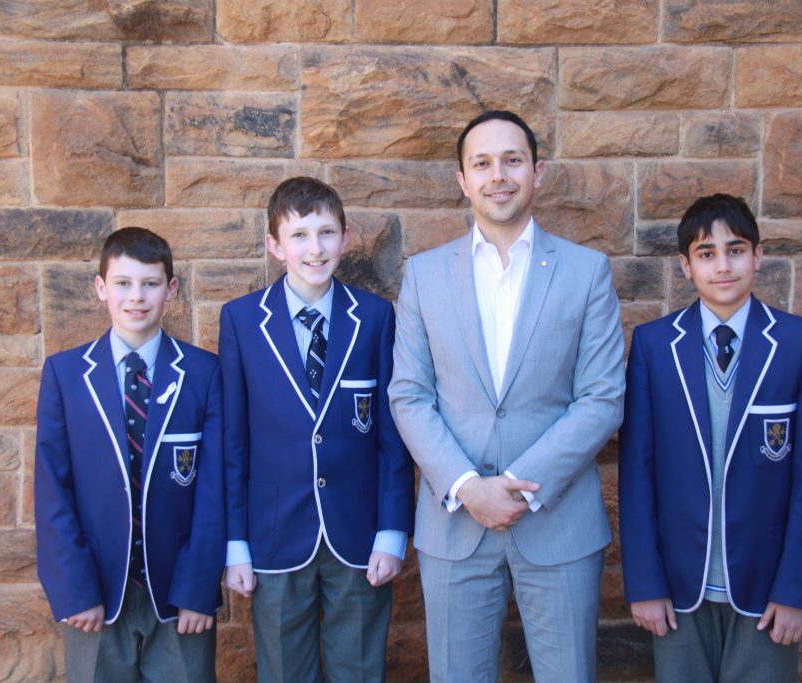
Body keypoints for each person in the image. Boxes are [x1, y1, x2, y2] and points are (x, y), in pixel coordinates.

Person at [388, 110, 625, 682]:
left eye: (513, 160)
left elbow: (601, 397)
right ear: (462, 180)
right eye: (483, 163)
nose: (499, 175)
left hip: (559, 521)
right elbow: (410, 395)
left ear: (537, 172)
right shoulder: (423, 275)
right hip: (455, 525)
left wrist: (519, 487)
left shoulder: (587, 272)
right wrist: (470, 488)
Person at [619, 193, 802, 682]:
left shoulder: (800, 343)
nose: (723, 265)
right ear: (685, 265)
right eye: (706, 253)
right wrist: (645, 583)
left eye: (736, 250)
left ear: (758, 256)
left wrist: (798, 591)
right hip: (678, 589)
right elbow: (636, 475)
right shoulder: (655, 346)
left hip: (767, 591)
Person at [219, 176, 414, 682]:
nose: (315, 248)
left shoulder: (373, 317)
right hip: (274, 535)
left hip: (358, 533)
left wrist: (392, 532)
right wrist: (236, 544)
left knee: (360, 668)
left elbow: (392, 437)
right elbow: (234, 443)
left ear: (346, 238)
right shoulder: (242, 321)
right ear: (274, 244)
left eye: (326, 233)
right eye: (299, 235)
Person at [35, 227, 224, 682]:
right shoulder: (65, 374)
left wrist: (200, 587)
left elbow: (216, 486)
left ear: (171, 289)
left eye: (150, 283)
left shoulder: (203, 372)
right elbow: (52, 491)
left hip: (179, 597)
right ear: (101, 288)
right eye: (122, 283)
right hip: (94, 595)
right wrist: (74, 590)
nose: (136, 297)